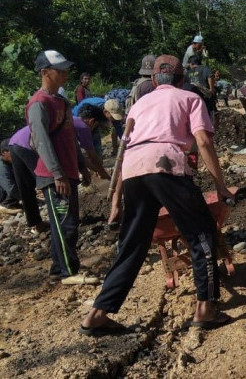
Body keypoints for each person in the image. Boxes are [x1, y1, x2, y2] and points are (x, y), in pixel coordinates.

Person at [80, 55, 236, 336]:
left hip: (134, 170)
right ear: (182, 80)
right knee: (202, 235)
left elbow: (122, 150)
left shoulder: (138, 104)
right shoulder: (189, 98)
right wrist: (220, 185)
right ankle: (206, 309)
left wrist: (116, 199)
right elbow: (202, 140)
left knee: (132, 244)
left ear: (153, 81)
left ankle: (97, 314)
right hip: (167, 165)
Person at [27, 50, 90, 283]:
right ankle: (67, 272)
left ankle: (58, 269)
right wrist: (57, 174)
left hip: (68, 172)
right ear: (45, 73)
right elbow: (40, 141)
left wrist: (81, 167)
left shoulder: (61, 101)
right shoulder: (38, 104)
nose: (65, 74)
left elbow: (70, 138)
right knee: (66, 224)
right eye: (60, 70)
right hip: (55, 177)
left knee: (67, 223)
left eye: (65, 70)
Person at [186, 54, 216, 123]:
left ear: (191, 63)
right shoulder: (204, 68)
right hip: (205, 97)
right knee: (209, 115)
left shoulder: (187, 73)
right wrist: (211, 89)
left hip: (192, 99)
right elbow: (210, 76)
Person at [0, 139, 22, 213]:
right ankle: (5, 205)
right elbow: (10, 187)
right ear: (4, 153)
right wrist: (26, 198)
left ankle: (13, 202)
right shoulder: (2, 166)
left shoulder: (9, 162)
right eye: (12, 152)